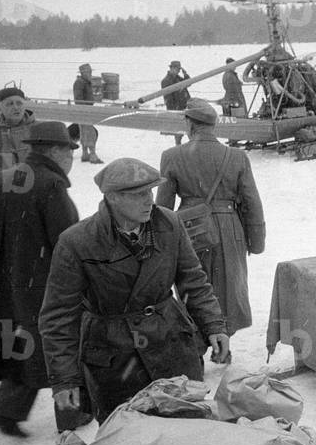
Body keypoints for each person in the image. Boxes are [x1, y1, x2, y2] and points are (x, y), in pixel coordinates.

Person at [39, 157, 230, 423]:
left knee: (187, 429)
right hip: (116, 358)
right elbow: (58, 316)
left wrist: (213, 324)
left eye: (150, 191)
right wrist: (64, 377)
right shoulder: (77, 242)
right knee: (129, 440)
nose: (149, 200)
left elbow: (193, 281)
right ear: (113, 198)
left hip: (172, 345)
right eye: (139, 194)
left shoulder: (169, 224)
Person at [0, 122, 84, 437]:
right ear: (55, 150)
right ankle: (71, 416)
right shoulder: (51, 184)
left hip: (5, 281)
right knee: (61, 344)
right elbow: (67, 240)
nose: (70, 157)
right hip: (43, 282)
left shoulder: (0, 178)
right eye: (69, 150)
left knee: (21, 346)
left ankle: (6, 410)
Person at [156, 99, 266, 349]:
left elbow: (163, 207)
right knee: (229, 288)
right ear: (213, 125)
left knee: (193, 285)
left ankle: (197, 343)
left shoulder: (172, 156)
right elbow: (252, 203)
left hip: (190, 230)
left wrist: (162, 246)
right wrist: (256, 242)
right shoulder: (236, 157)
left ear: (190, 124)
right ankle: (223, 339)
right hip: (230, 230)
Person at [0, 87, 35, 181]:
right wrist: (17, 180)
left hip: (40, 190)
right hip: (4, 192)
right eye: (9, 104)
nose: (16, 107)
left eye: (19, 103)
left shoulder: (40, 129)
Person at [72, 64, 103, 163]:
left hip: (87, 110)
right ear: (83, 73)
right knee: (90, 133)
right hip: (84, 111)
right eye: (88, 72)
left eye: (90, 72)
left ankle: (85, 154)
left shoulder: (86, 82)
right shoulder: (79, 83)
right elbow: (78, 99)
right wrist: (85, 108)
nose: (90, 74)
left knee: (85, 132)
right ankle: (92, 155)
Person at [161, 60, 191, 145]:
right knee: (178, 131)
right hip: (176, 108)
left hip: (184, 106)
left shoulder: (178, 78)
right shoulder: (166, 81)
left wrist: (185, 74)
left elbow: (188, 83)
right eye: (178, 69)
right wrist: (173, 110)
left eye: (179, 69)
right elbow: (168, 98)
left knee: (189, 127)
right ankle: (178, 146)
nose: (178, 71)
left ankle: (190, 145)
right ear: (172, 68)